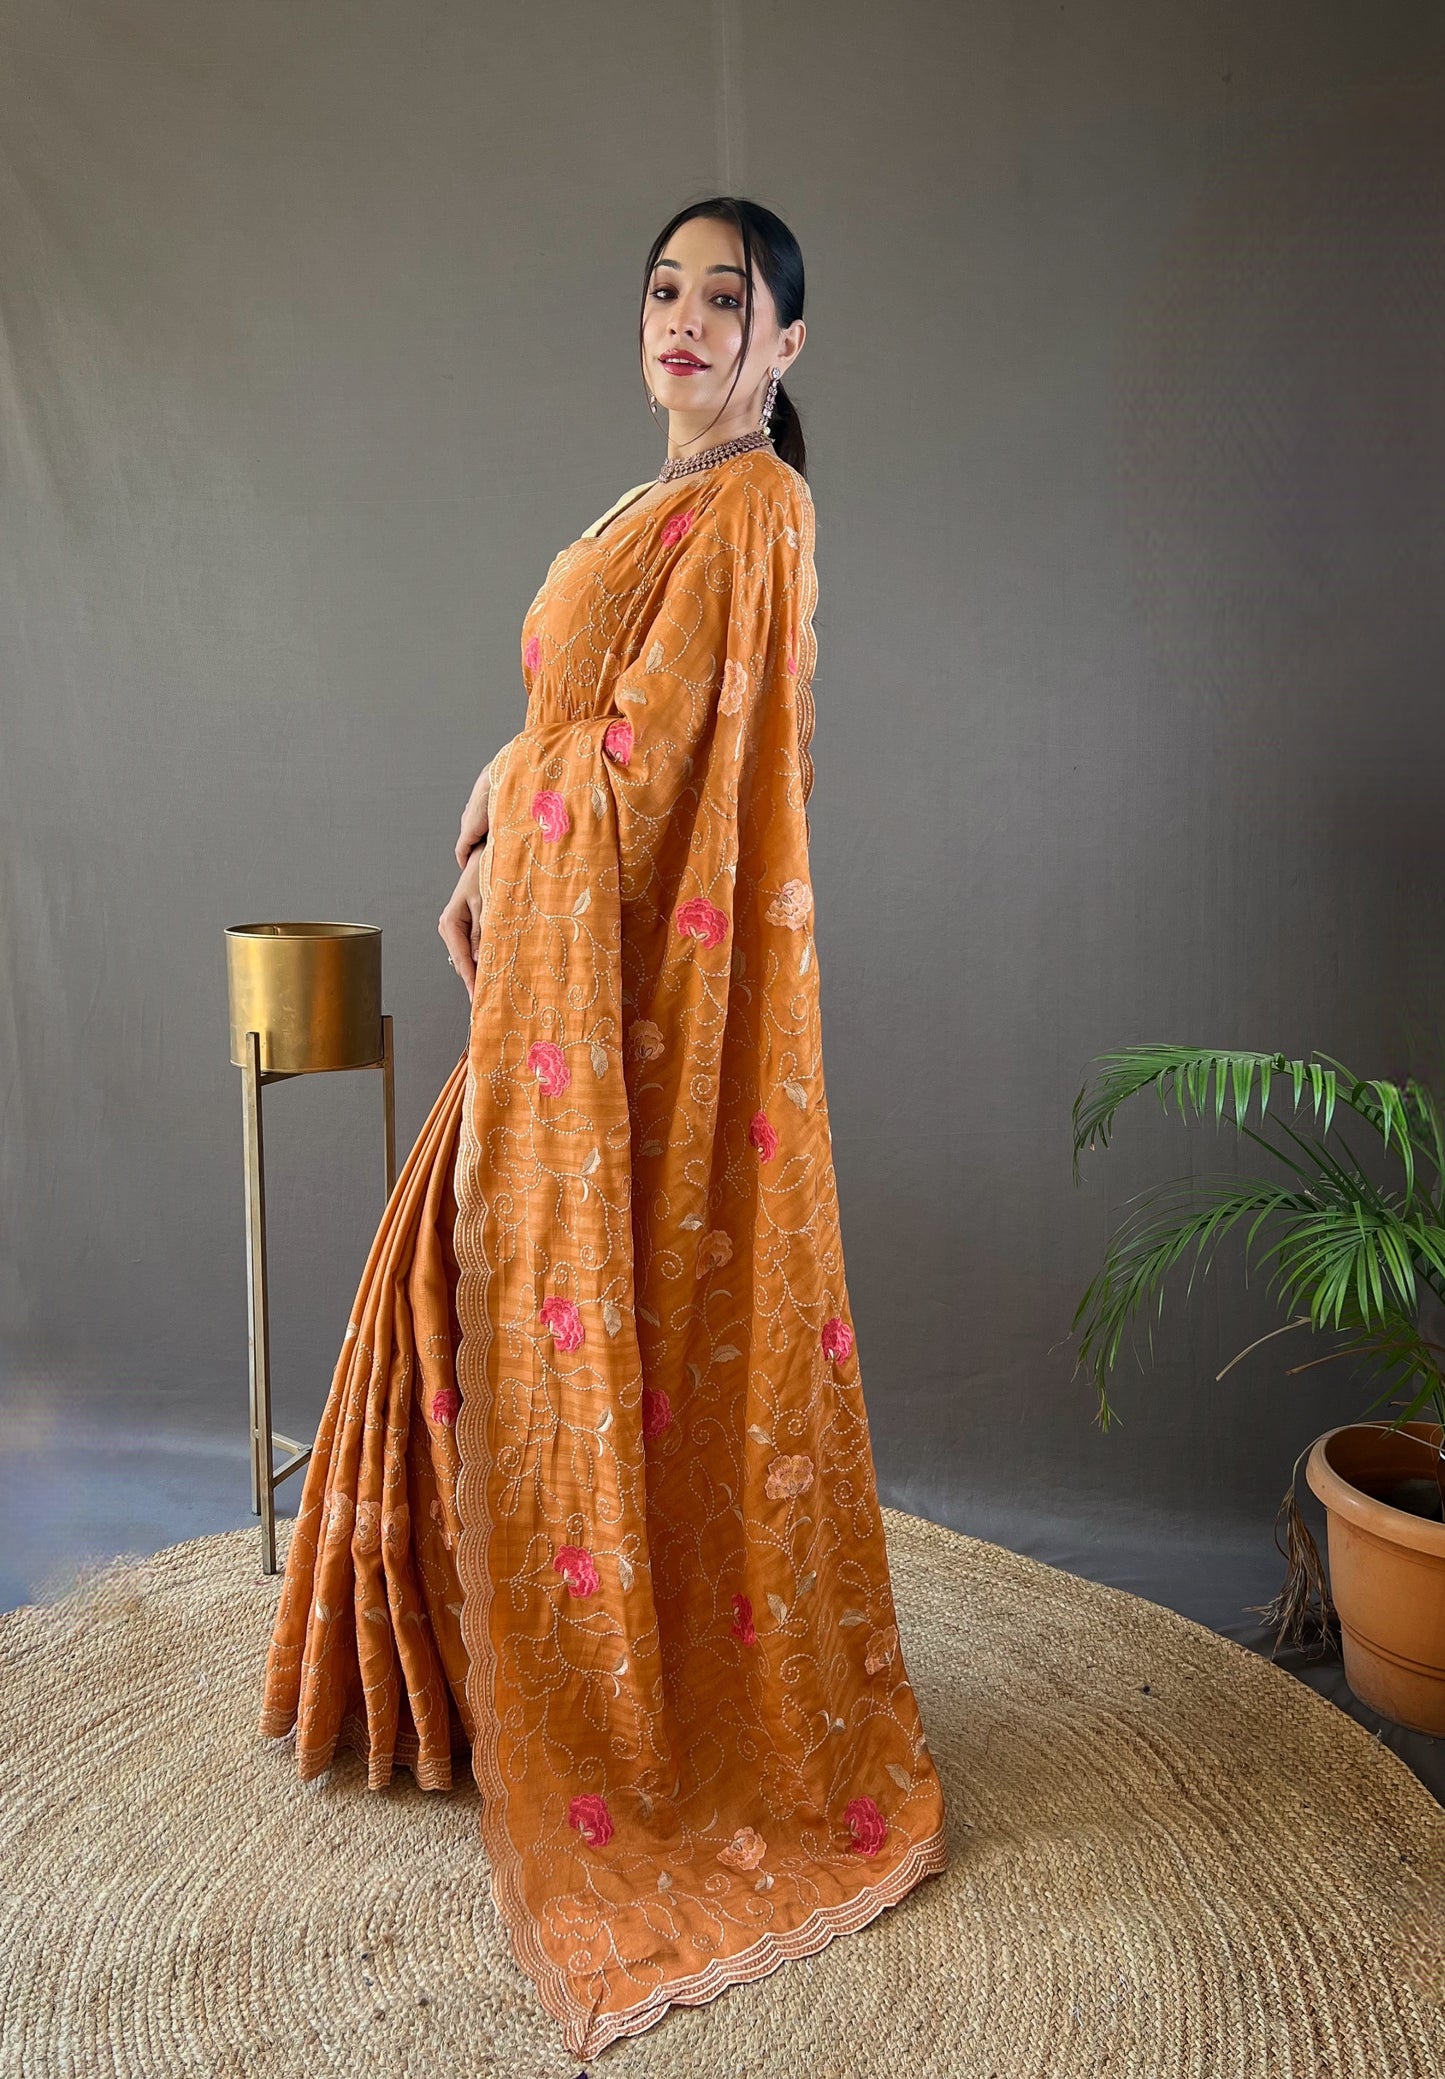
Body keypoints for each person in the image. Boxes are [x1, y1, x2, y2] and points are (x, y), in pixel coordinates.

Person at [257, 195, 948, 2062]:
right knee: (447, 1310)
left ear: (785, 349)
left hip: (638, 1014)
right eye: (665, 290)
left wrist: (514, 788)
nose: (688, 320)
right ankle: (468, 1696)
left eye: (730, 301)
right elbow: (594, 722)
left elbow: (653, 784)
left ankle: (590, 1718)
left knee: (492, 1310)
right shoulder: (648, 510)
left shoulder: (757, 513)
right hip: (568, 998)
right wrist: (510, 774)